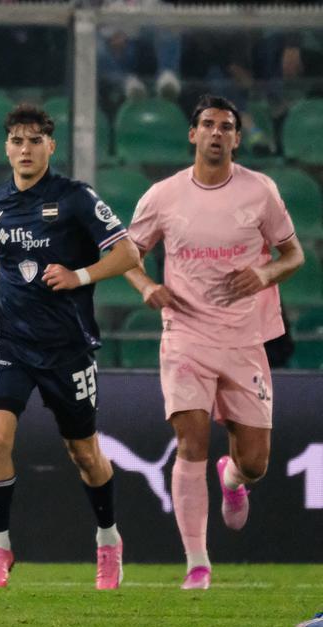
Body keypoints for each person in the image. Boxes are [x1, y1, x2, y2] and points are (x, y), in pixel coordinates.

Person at [122, 94, 305, 590]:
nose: (217, 133)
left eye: (226, 126)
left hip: (244, 340)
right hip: (184, 336)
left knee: (256, 463)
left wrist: (264, 273)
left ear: (237, 138)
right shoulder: (162, 196)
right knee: (191, 442)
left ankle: (232, 479)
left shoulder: (259, 192)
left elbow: (294, 255)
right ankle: (197, 563)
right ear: (193, 134)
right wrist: (147, 287)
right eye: (208, 124)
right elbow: (127, 253)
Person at [0, 103, 140, 590]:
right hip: (12, 341)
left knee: (84, 453)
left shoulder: (75, 198)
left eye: (35, 140)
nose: (25, 149)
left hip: (67, 348)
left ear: (50, 146)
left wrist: (79, 274)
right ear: (6, 147)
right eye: (17, 140)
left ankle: (108, 540)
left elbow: (128, 251)